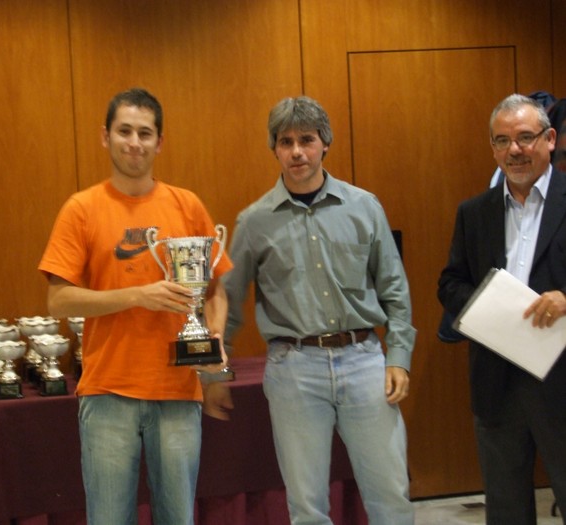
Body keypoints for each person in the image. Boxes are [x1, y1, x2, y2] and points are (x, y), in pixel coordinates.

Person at [38, 88, 233, 525]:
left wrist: (213, 341)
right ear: (105, 136)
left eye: (145, 133)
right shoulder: (81, 209)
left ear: (159, 142)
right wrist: (137, 295)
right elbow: (58, 300)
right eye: (124, 131)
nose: (134, 142)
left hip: (178, 392)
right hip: (108, 391)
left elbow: (215, 290)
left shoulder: (187, 205)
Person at [222, 96, 416, 525]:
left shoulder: (364, 207)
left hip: (364, 363)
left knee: (390, 496)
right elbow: (228, 301)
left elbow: (394, 287)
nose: (297, 152)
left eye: (306, 140)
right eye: (286, 141)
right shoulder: (253, 221)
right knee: (307, 508)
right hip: (294, 369)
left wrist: (399, 356)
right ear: (274, 148)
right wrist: (216, 371)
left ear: (324, 143)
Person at [438, 93, 566, 524]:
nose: (515, 150)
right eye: (502, 141)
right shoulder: (474, 213)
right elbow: (450, 283)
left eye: (526, 137)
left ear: (550, 139)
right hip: (497, 383)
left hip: (561, 379)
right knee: (507, 511)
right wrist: (487, 308)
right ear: (493, 148)